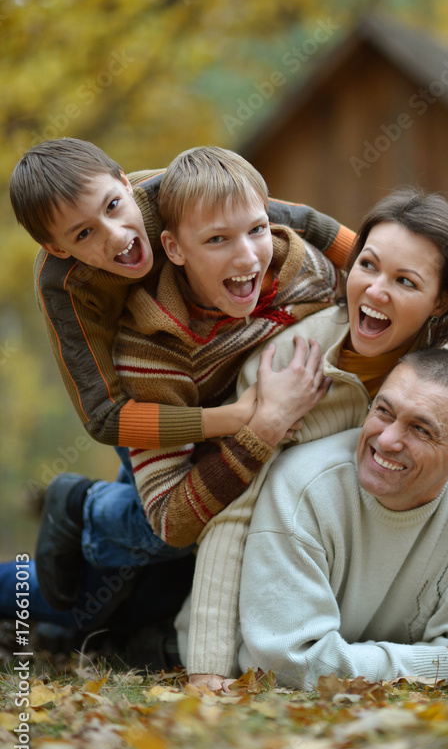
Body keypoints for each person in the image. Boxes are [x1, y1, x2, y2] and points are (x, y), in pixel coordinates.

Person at [187, 189, 448, 693]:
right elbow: (234, 509)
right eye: (368, 265)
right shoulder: (286, 363)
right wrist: (207, 666)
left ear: (440, 301)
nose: (376, 291)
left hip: (359, 593)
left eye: (405, 281)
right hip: (263, 569)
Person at [9, 139, 355, 610]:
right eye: (83, 234)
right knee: (164, 534)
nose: (115, 235)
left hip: (204, 362)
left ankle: (119, 611)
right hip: (143, 391)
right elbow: (105, 418)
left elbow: (305, 221)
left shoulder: (171, 192)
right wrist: (238, 419)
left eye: (114, 205)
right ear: (56, 247)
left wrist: (388, 275)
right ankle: (82, 507)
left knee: (172, 555)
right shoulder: (63, 286)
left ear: (125, 181)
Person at [237, 349, 448, 688]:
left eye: (421, 429)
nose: (387, 439)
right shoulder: (302, 484)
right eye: (384, 411)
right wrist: (441, 663)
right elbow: (288, 661)